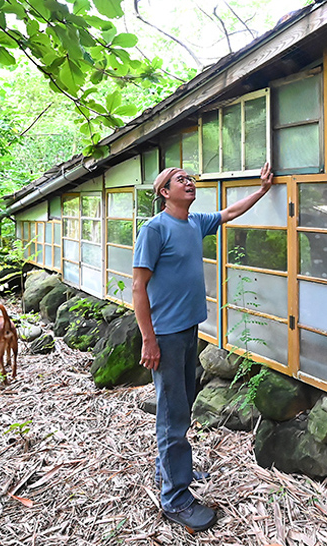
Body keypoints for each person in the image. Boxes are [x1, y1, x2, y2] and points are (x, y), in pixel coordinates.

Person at [132, 162, 273, 533]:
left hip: (189, 328)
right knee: (171, 413)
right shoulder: (154, 229)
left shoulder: (194, 223)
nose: (189, 182)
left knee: (183, 403)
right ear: (164, 192)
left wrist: (261, 191)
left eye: (190, 178)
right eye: (180, 179)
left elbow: (229, 212)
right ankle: (175, 499)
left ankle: (178, 469)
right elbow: (137, 287)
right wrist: (148, 338)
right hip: (165, 335)